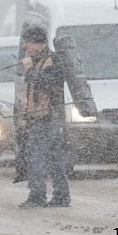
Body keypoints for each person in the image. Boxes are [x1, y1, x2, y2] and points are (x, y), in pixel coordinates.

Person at [18, 25, 70, 208]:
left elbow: (49, 86)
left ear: (38, 43)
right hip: (42, 118)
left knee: (37, 157)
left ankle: (38, 196)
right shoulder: (40, 61)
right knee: (55, 158)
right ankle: (61, 195)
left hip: (47, 118)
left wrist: (30, 70)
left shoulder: (51, 62)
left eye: (28, 43)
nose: (26, 47)